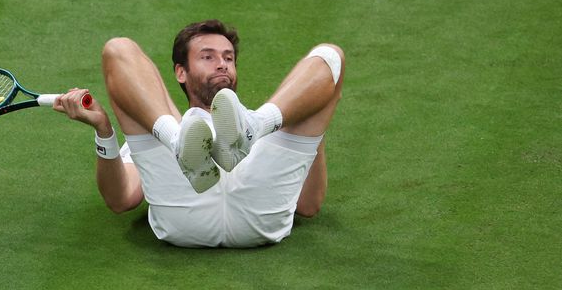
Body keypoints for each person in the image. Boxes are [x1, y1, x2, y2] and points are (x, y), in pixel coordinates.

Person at [54, 19, 345, 248]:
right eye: (207, 57)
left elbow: (307, 205)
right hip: (188, 208)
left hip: (256, 209)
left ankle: (253, 126)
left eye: (229, 58)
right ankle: (178, 141)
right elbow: (121, 199)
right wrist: (104, 131)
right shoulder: (161, 121)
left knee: (332, 58)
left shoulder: (267, 131)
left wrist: (311, 127)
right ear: (181, 72)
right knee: (118, 49)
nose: (222, 63)